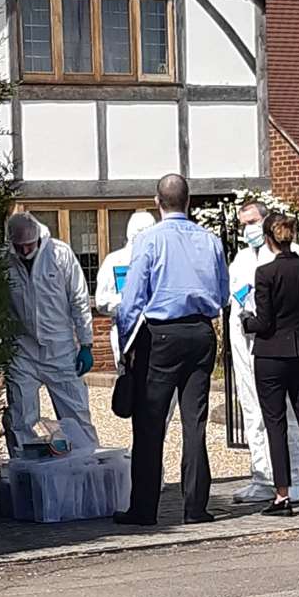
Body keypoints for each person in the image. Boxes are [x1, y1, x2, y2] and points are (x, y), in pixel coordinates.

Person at [114, 174, 228, 526]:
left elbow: (131, 302)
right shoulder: (210, 240)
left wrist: (125, 345)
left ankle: (144, 509)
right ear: (188, 201)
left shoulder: (148, 241)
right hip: (200, 331)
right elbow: (223, 295)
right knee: (194, 423)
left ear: (157, 201)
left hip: (161, 334)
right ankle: (195, 507)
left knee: (150, 423)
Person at [241, 211, 299, 517]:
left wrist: (246, 321)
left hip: (271, 355)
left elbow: (264, 322)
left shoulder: (265, 273)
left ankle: (282, 495)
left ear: (268, 239)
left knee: (275, 424)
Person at [226, 199, 299, 506]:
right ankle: (264, 476)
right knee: (253, 411)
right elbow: (234, 294)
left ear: (266, 224)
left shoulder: (290, 255)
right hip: (245, 341)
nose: (246, 229)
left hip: (275, 343)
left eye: (251, 222)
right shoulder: (239, 259)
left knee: (287, 414)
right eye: (242, 224)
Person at [3, 211, 97, 456]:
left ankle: (87, 468)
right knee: (19, 417)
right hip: (22, 349)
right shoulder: (3, 260)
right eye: (19, 247)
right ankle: (26, 471)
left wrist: (86, 343)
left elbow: (79, 299)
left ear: (38, 237)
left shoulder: (60, 254)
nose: (24, 252)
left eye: (28, 245)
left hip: (61, 349)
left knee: (76, 417)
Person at [94, 210, 158, 371]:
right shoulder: (114, 260)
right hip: (126, 332)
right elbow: (101, 300)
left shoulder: (161, 259)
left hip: (158, 331)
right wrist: (129, 302)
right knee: (130, 382)